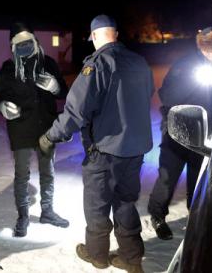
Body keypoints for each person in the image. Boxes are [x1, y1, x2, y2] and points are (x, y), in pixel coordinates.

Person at [39, 15, 154, 273]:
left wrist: (51, 136)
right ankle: (132, 259)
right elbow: (147, 95)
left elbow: (76, 110)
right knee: (125, 202)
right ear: (115, 33)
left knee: (97, 205)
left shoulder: (99, 64)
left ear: (95, 36)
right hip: (134, 150)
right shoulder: (138, 61)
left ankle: (98, 255)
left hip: (105, 151)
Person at [148, 26, 212, 240]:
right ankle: (157, 215)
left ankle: (194, 214)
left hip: (205, 133)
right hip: (177, 131)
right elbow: (167, 95)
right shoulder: (186, 65)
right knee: (167, 177)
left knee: (198, 179)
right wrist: (193, 80)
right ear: (207, 48)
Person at [0, 22, 69, 238]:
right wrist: (4, 107)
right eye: (20, 43)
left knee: (48, 172)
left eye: (28, 42)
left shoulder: (48, 63)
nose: (25, 46)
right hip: (20, 129)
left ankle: (47, 211)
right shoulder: (9, 68)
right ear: (13, 46)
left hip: (46, 127)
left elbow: (62, 92)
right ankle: (23, 216)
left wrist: (55, 86)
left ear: (35, 41)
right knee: (22, 176)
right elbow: (2, 97)